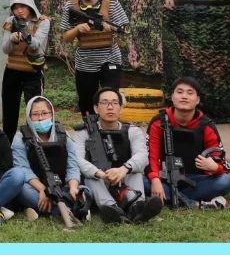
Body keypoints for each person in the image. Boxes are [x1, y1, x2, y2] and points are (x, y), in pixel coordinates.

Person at [68, 87, 162, 224]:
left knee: (135, 171)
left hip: (124, 178)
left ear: (121, 108)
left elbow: (142, 156)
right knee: (91, 177)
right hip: (99, 180)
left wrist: (123, 169)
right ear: (96, 108)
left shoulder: (133, 131)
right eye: (105, 103)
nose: (110, 107)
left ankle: (137, 207)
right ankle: (112, 210)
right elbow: (77, 159)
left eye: (114, 103)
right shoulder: (84, 132)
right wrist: (100, 174)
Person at [145, 77, 230, 210]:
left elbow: (223, 164)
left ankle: (172, 198)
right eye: (179, 92)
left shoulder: (206, 126)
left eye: (190, 93)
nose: (184, 96)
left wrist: (215, 167)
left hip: (196, 180)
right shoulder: (159, 122)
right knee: (140, 181)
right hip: (165, 178)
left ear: (197, 100)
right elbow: (150, 156)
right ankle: (195, 203)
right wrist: (155, 179)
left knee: (225, 182)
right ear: (172, 97)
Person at [58, 0, 129, 116]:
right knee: (86, 104)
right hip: (85, 62)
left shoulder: (110, 0)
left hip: (110, 57)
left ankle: (109, 128)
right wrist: (77, 29)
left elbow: (124, 29)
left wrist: (110, 28)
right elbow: (65, 38)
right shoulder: (71, 6)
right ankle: (90, 130)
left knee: (110, 99)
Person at [11, 95, 87, 224]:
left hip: (62, 186)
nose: (41, 118)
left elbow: (72, 165)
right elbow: (23, 168)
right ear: (29, 116)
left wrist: (73, 187)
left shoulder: (63, 134)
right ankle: (72, 210)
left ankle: (47, 209)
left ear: (51, 114)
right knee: (22, 191)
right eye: (35, 114)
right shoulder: (20, 137)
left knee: (86, 190)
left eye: (45, 113)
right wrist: (43, 190)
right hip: (35, 187)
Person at [0, 0, 49, 135]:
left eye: (22, 6)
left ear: (30, 5)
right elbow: (5, 49)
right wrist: (12, 38)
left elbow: (36, 45)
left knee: (35, 111)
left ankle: (35, 142)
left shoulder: (42, 22)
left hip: (33, 72)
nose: (19, 11)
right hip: (12, 71)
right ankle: (8, 143)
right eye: (15, 7)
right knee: (9, 111)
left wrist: (25, 34)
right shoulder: (10, 21)